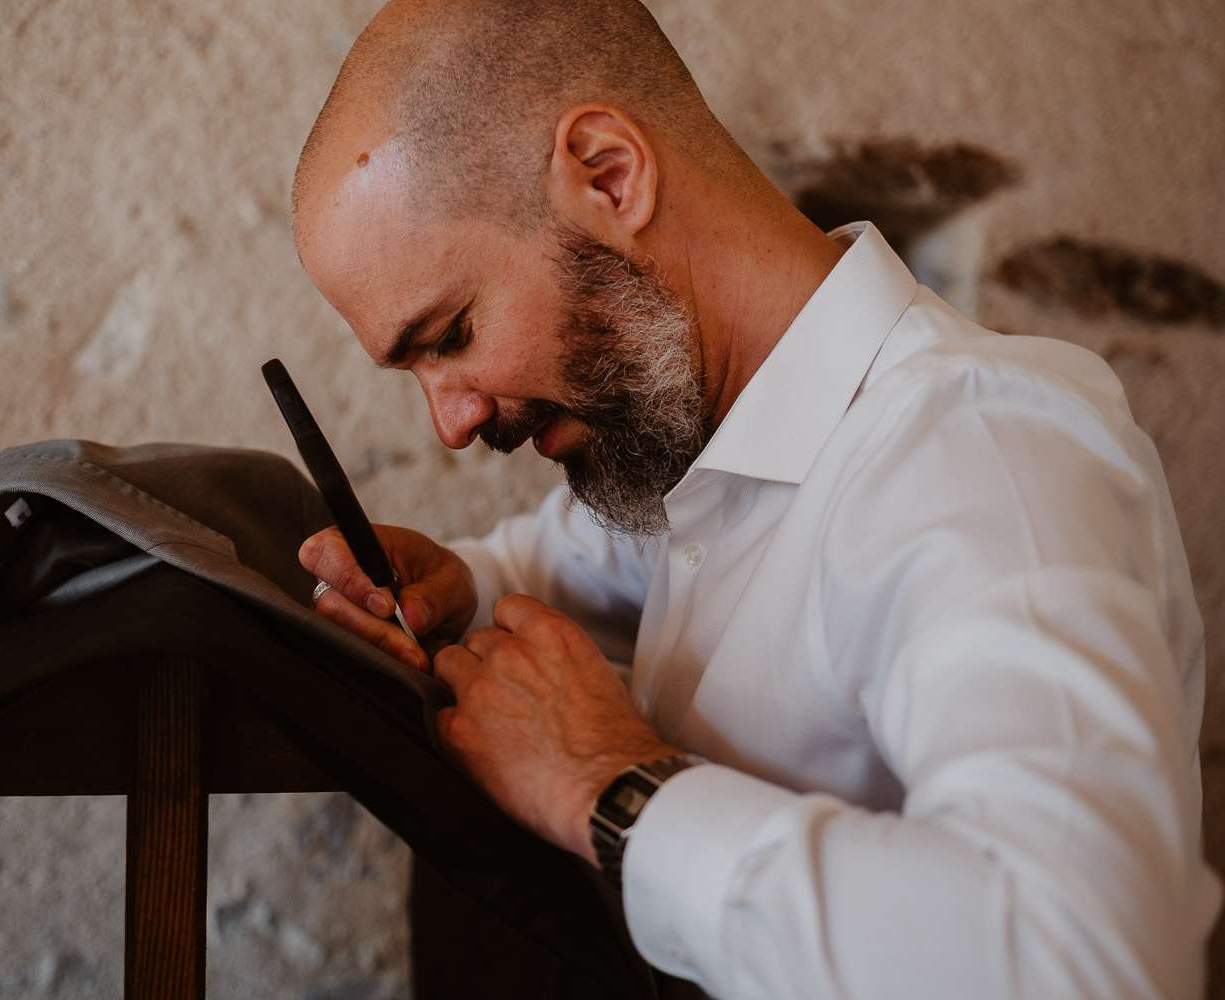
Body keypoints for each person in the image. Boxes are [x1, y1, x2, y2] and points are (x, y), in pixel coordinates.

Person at [288, 0, 1220, 996]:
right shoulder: (687, 439)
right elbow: (588, 560)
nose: (452, 422)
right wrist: (460, 585)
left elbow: (1088, 961)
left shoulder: (978, 453)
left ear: (610, 174)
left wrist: (616, 790)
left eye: (453, 333)